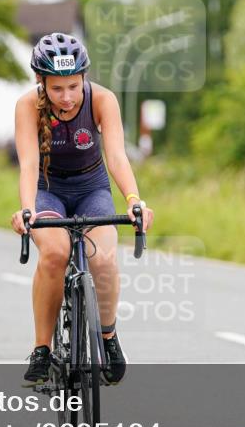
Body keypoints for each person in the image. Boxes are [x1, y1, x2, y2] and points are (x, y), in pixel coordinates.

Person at [11, 32, 154, 387]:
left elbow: (117, 156)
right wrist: (27, 210)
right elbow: (28, 164)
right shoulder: (27, 106)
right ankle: (42, 349)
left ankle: (107, 337)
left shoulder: (102, 100)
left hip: (92, 188)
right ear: (40, 82)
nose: (67, 97)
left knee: (103, 258)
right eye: (57, 88)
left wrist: (134, 201)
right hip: (48, 191)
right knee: (55, 254)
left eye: (74, 86)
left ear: (84, 79)